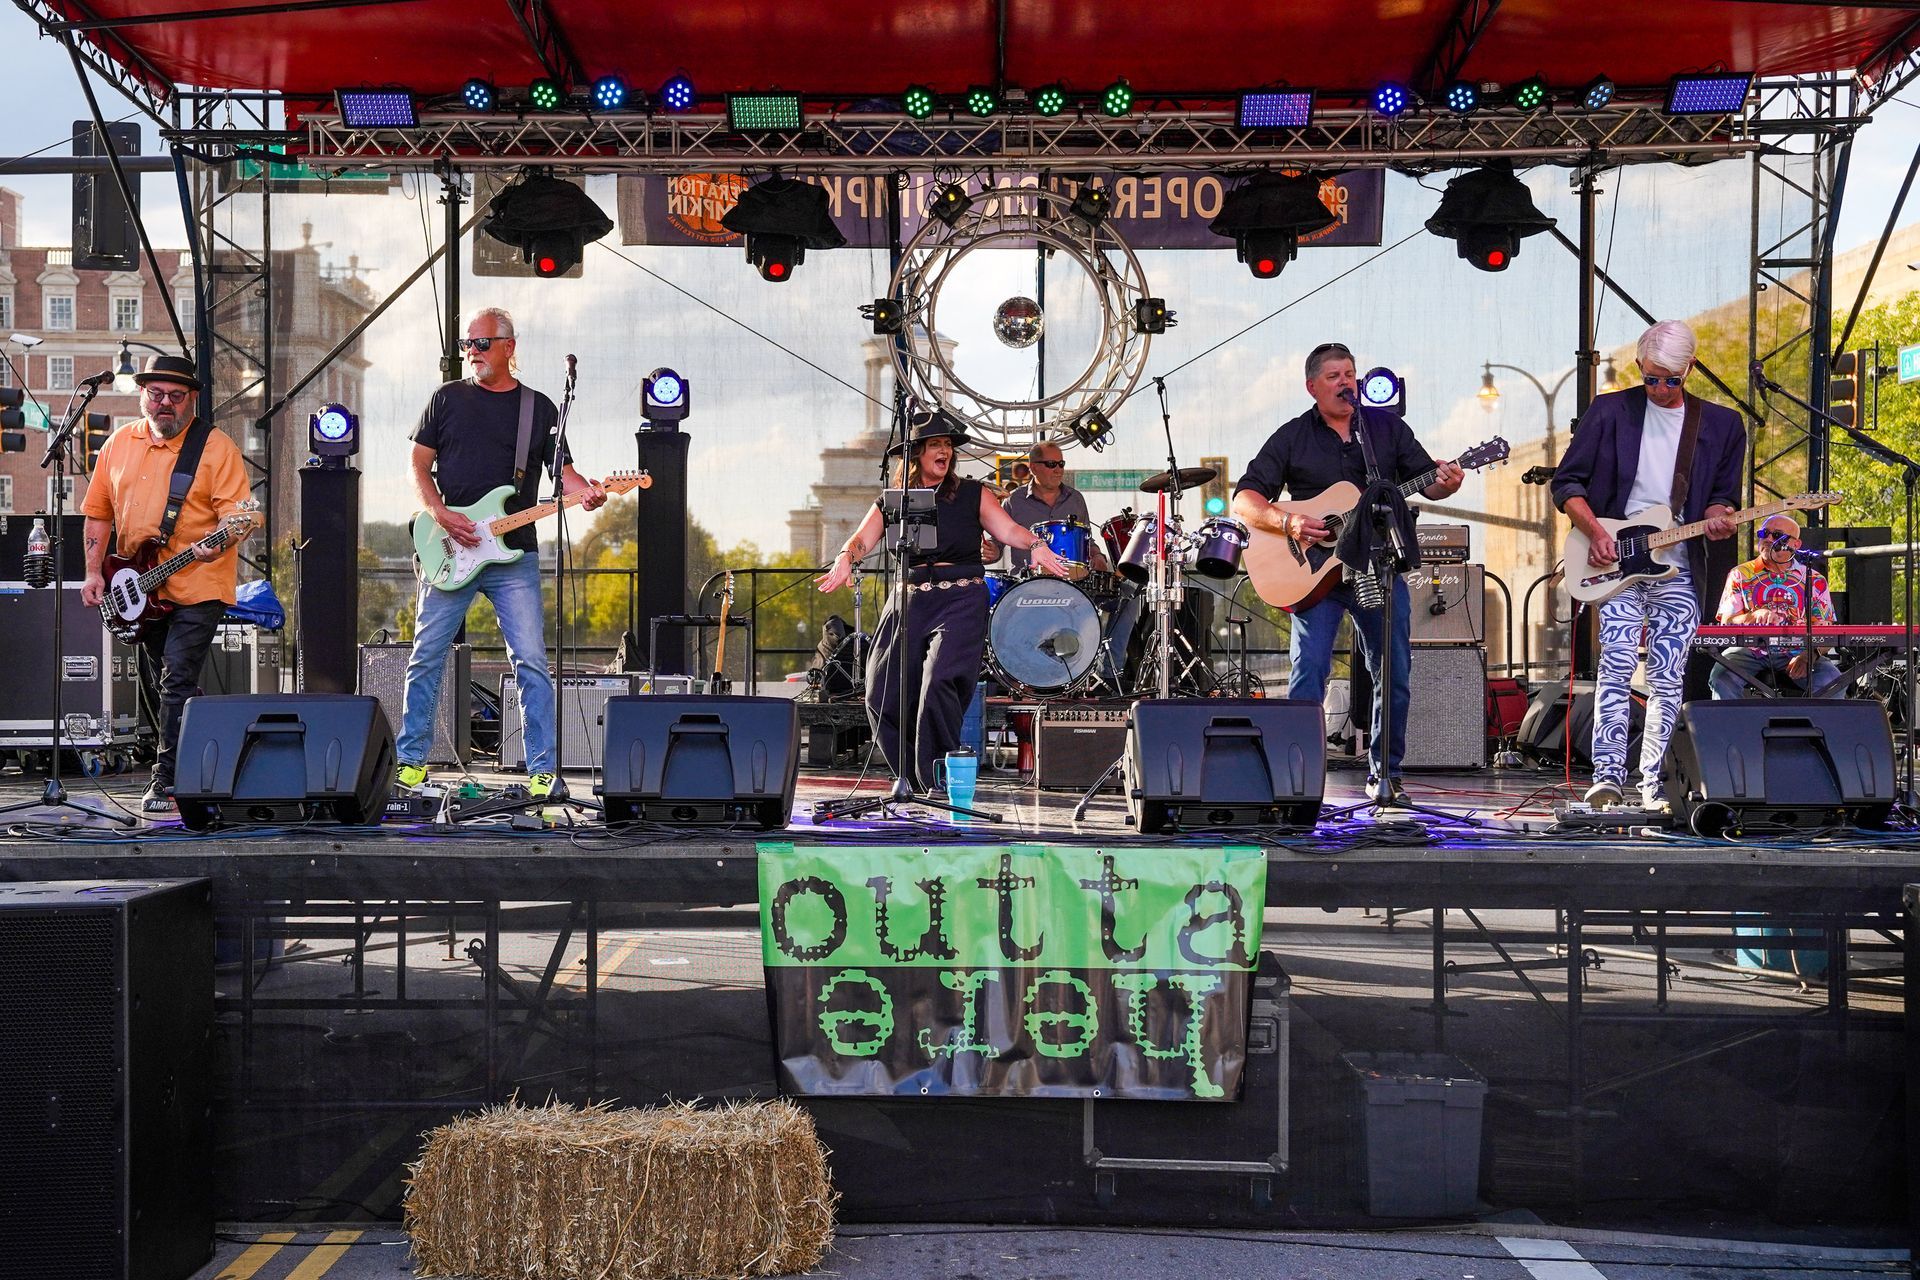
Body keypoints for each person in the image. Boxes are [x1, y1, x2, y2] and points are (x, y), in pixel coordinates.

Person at [1231, 342, 1463, 803]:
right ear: (1312, 387)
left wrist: (1448, 481)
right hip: (1317, 576)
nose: (1345, 382)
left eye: (1350, 374)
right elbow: (1245, 499)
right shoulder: (1293, 436)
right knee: (1310, 671)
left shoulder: (1385, 429)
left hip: (1378, 566)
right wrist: (1289, 523)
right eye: (1334, 376)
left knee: (1393, 671)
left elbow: (1429, 483)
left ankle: (1385, 775)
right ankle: (1296, 775)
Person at [398, 307, 606, 799]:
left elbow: (564, 475)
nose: (472, 352)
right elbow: (418, 464)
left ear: (509, 347)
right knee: (426, 656)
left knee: (530, 660)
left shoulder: (539, 408)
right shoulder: (447, 398)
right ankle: (410, 764)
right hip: (450, 548)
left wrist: (589, 492)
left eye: (482, 343)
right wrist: (440, 513)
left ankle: (542, 772)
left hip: (515, 554)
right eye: (467, 344)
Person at [816, 410, 1073, 792]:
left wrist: (1036, 545)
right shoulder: (894, 500)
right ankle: (909, 780)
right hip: (909, 599)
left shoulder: (972, 494)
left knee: (939, 683)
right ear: (917, 453)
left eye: (948, 445)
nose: (945, 451)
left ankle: (935, 780)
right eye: (935, 444)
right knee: (880, 691)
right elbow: (862, 539)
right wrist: (845, 557)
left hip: (961, 598)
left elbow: (1007, 529)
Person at [1552, 319, 1746, 810]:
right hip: (1613, 560)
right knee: (1617, 663)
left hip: (1679, 565)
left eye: (1671, 380)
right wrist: (1596, 533)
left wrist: (1720, 516)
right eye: (1651, 377)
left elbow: (1723, 496)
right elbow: (1567, 483)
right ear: (1639, 366)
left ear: (1691, 369)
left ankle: (1654, 784)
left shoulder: (1722, 424)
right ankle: (1606, 777)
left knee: (1667, 676)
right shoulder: (1610, 411)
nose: (1660, 388)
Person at [79, 353, 252, 814]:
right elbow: (98, 513)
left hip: (199, 581)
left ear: (191, 399)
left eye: (176, 396)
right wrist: (94, 571)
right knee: (167, 684)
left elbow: (239, 515)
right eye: (156, 394)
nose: (165, 404)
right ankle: (204, 757)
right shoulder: (118, 444)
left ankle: (167, 780)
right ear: (142, 396)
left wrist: (221, 540)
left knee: (176, 678)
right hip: (140, 586)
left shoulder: (215, 447)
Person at [1709, 514, 1842, 699]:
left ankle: (1813, 719)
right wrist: (1752, 616)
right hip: (1750, 649)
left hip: (1799, 649)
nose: (1768, 539)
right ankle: (1733, 720)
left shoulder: (1814, 579)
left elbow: (1826, 628)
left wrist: (1809, 655)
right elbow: (1726, 622)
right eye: (1764, 533)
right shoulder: (1740, 574)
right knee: (1721, 677)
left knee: (1832, 680)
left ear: (1796, 544)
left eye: (1777, 535)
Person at [999, 440, 1110, 574]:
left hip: (1069, 582)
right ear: (1034, 468)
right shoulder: (1013, 500)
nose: (1058, 470)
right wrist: (990, 550)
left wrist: (1097, 555)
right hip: (1026, 583)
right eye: (1051, 464)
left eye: (1061, 464)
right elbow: (996, 543)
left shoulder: (1076, 499)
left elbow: (1085, 540)